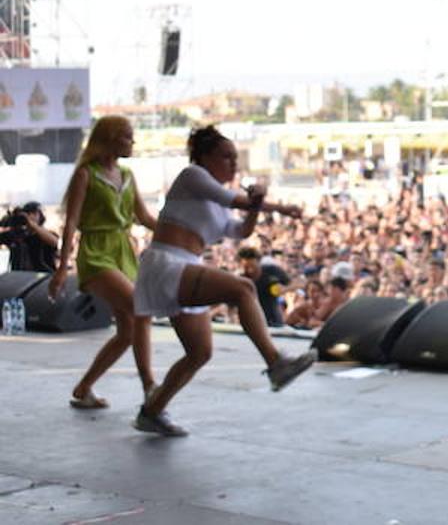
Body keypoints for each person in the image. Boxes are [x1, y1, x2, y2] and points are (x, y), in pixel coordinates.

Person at [132, 126, 317, 436]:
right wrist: (278, 207)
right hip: (168, 263)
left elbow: (241, 230)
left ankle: (151, 412)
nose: (233, 164)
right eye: (226, 157)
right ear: (205, 157)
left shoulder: (214, 201)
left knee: (199, 353)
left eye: (235, 157)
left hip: (183, 265)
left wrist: (257, 206)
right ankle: (275, 363)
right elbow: (236, 202)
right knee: (243, 288)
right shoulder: (193, 176)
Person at [49, 116, 159, 408]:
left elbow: (145, 218)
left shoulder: (128, 175)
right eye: (126, 136)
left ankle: (84, 388)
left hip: (124, 252)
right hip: (96, 252)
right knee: (141, 308)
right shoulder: (86, 174)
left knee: (126, 333)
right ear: (109, 138)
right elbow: (71, 222)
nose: (132, 142)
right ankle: (150, 387)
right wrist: (62, 268)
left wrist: (181, 234)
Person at [237, 246, 290, 327]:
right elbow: (231, 307)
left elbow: (294, 283)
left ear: (259, 262)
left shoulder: (272, 271)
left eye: (253, 266)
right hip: (249, 323)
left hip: (273, 321)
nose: (250, 270)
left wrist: (284, 289)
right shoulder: (240, 280)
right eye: (246, 267)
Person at [0, 201, 58, 273]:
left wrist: (33, 225)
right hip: (20, 278)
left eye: (34, 213)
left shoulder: (48, 234)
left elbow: (56, 243)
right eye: (28, 213)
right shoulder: (16, 235)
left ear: (41, 216)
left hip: (44, 276)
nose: (31, 216)